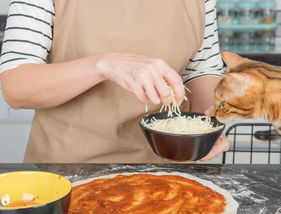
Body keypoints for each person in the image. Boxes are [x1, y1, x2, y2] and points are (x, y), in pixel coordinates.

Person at [0, 0, 230, 163]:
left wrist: (205, 125)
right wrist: (105, 65)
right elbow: (17, 86)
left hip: (168, 171)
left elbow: (202, 68)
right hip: (67, 173)